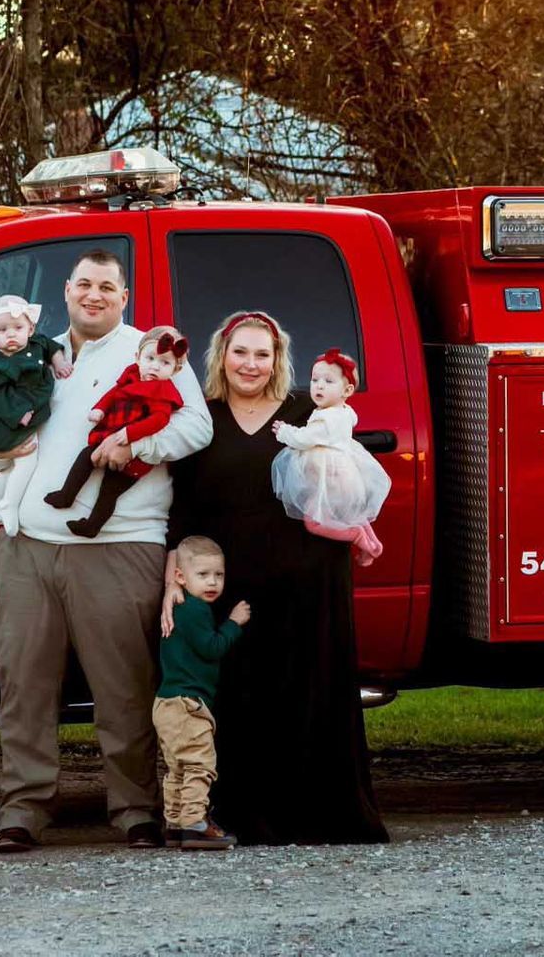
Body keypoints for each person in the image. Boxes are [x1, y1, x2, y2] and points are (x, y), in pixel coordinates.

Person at [0, 250, 212, 853]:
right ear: (67, 290)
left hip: (118, 545)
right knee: (24, 684)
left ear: (124, 297)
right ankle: (22, 809)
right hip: (26, 545)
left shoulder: (152, 350)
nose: (94, 295)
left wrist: (134, 441)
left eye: (108, 286)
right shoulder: (33, 351)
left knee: (123, 688)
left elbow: (196, 427)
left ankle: (135, 809)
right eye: (84, 284)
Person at [164, 311, 388, 846]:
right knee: (239, 692)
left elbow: (347, 476)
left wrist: (355, 528)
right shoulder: (200, 418)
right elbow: (181, 506)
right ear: (221, 356)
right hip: (228, 583)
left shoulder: (308, 412)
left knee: (305, 687)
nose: (251, 364)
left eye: (262, 354)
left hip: (307, 577)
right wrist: (174, 576)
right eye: (240, 352)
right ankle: (242, 814)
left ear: (278, 359)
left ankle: (316, 815)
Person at [154, 535, 251, 850]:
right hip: (187, 704)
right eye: (203, 574)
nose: (212, 582)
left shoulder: (180, 605)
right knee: (199, 764)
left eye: (218, 575)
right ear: (180, 577)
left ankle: (174, 823)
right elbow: (211, 648)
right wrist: (234, 623)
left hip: (166, 702)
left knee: (177, 767)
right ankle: (195, 822)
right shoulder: (194, 609)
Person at [45, 326, 189, 537]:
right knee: (86, 456)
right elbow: (114, 394)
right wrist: (100, 409)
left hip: (135, 454)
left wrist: (131, 434)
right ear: (138, 357)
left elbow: (159, 420)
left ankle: (92, 526)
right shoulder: (131, 376)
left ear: (175, 370)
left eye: (165, 363)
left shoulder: (163, 390)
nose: (155, 366)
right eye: (150, 358)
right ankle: (66, 495)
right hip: (110, 434)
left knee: (109, 490)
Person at [271, 347, 390, 567]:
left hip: (330, 481)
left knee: (314, 522)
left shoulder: (325, 420)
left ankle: (357, 536)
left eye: (328, 381)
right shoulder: (345, 411)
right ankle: (372, 544)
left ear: (347, 390)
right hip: (346, 477)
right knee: (350, 515)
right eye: (315, 380)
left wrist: (284, 431)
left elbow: (303, 439)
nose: (319, 386)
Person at [0, 297, 72, 527]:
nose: (11, 335)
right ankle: (9, 504)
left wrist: (59, 362)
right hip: (7, 420)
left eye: (18, 328)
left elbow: (51, 347)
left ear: (31, 329)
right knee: (26, 460)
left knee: (16, 465)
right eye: (2, 330)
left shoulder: (37, 343)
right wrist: (19, 415)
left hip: (29, 410)